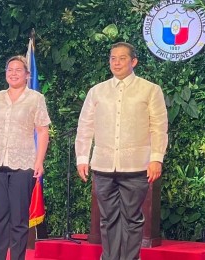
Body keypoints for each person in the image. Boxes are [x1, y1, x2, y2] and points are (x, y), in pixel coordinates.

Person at [75, 42, 168, 260]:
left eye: (122, 58)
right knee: (107, 219)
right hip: (103, 164)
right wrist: (82, 157)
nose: (116, 62)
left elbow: (158, 126)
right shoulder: (97, 91)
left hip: (136, 165)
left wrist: (156, 158)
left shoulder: (150, 89)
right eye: (113, 58)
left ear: (133, 61)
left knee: (132, 218)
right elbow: (85, 126)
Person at [0, 55, 51, 260]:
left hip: (23, 164)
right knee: (0, 217)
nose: (13, 73)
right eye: (9, 70)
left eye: (18, 70)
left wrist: (39, 162)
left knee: (19, 219)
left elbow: (43, 131)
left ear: (27, 75)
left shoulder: (35, 99)